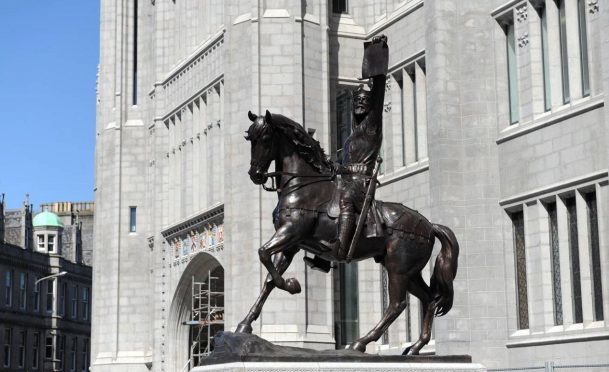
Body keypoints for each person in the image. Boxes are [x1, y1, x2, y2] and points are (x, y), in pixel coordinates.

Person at [304, 35, 388, 272]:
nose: (360, 104)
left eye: (364, 101)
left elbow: (379, 94)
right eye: (357, 101)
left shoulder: (372, 126)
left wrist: (378, 58)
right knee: (321, 201)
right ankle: (322, 254)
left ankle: (340, 247)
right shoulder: (352, 135)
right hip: (346, 179)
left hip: (360, 184)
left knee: (345, 198)